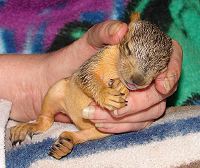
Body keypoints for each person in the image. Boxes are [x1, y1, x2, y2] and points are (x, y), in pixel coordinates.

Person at [0, 20, 182, 133]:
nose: (138, 79)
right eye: (128, 52)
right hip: (69, 96)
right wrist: (102, 93)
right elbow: (85, 76)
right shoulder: (110, 53)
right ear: (127, 35)